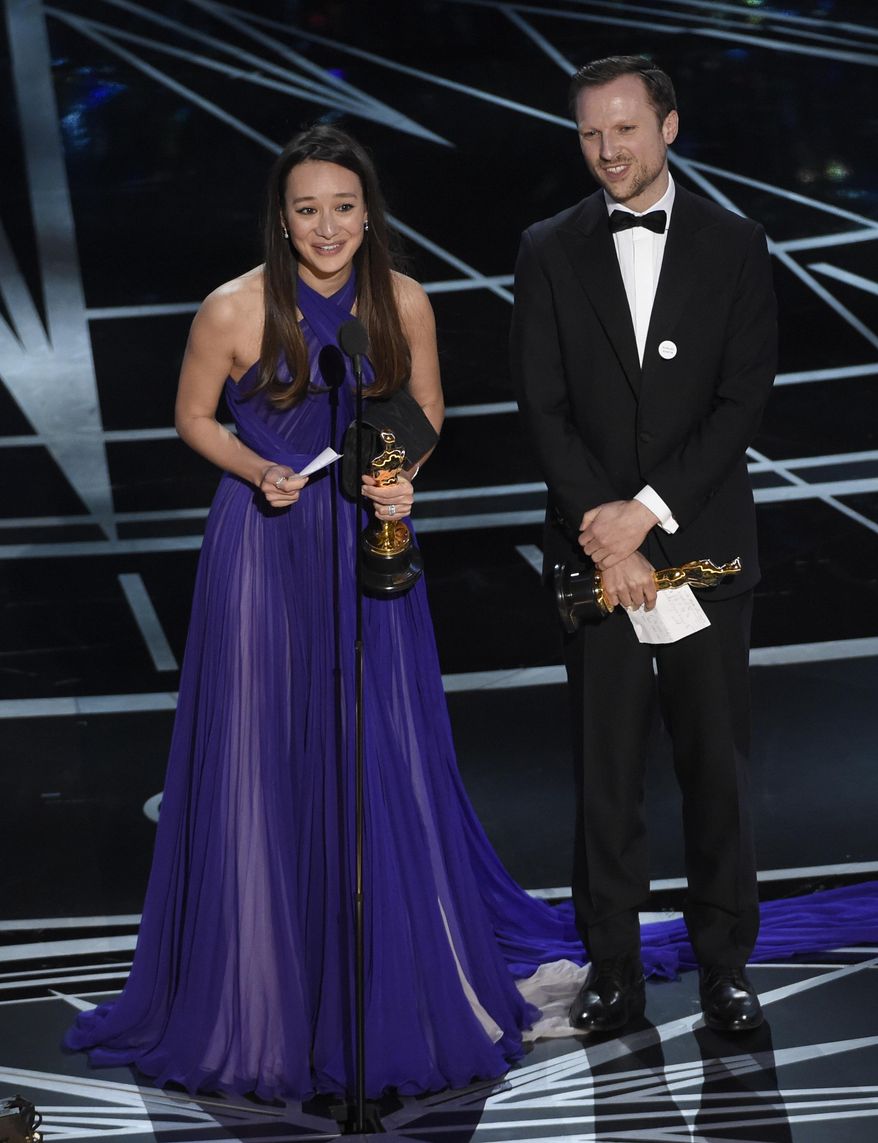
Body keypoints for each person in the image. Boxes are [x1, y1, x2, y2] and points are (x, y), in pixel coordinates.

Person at [65, 124, 582, 1100]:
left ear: (367, 210)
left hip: (369, 551)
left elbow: (425, 411)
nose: (327, 226)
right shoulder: (231, 309)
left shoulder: (403, 302)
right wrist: (254, 465)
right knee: (264, 755)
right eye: (307, 208)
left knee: (373, 746)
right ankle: (267, 987)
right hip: (262, 549)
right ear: (281, 217)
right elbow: (191, 416)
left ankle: (388, 967)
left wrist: (401, 479)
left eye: (343, 206)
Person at [511, 56, 777, 1035]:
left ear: (666, 126)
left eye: (623, 129)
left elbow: (740, 398)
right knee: (605, 772)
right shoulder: (546, 247)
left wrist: (646, 512)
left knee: (715, 770)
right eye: (589, 134)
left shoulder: (734, 242)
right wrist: (606, 530)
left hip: (700, 549)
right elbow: (539, 406)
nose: (606, 151)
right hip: (594, 556)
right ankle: (612, 969)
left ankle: (724, 970)